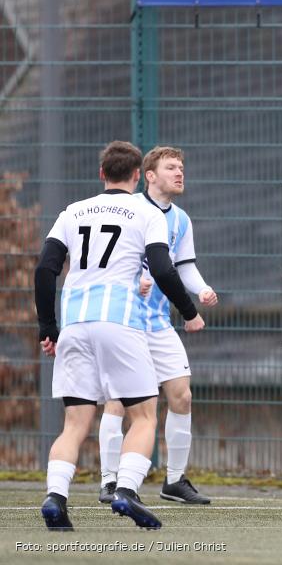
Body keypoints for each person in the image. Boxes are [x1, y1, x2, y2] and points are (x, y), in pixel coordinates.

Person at [34, 141, 204, 531]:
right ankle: (126, 489)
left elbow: (45, 269)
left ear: (101, 175)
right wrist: (190, 312)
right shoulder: (145, 213)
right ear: (135, 177)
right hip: (120, 324)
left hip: (74, 325)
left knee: (74, 423)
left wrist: (48, 328)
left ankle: (55, 496)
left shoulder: (72, 211)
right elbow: (162, 269)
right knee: (144, 415)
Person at [97, 146, 217, 506]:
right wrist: (135, 282)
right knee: (119, 403)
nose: (179, 173)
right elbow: (109, 262)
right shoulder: (129, 211)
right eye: (171, 167)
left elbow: (182, 267)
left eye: (181, 167)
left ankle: (175, 481)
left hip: (159, 323)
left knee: (181, 396)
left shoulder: (180, 219)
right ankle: (109, 481)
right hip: (125, 322)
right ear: (148, 175)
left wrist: (203, 288)